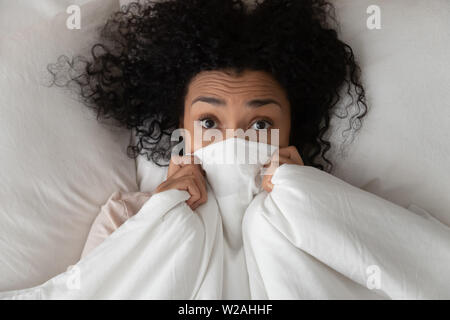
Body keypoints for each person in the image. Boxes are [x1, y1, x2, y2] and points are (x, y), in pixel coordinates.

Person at [48, 0, 368, 259]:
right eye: (209, 122)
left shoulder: (336, 216)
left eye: (260, 124)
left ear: (289, 134)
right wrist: (157, 222)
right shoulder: (125, 218)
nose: (232, 141)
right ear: (181, 130)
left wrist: (311, 207)